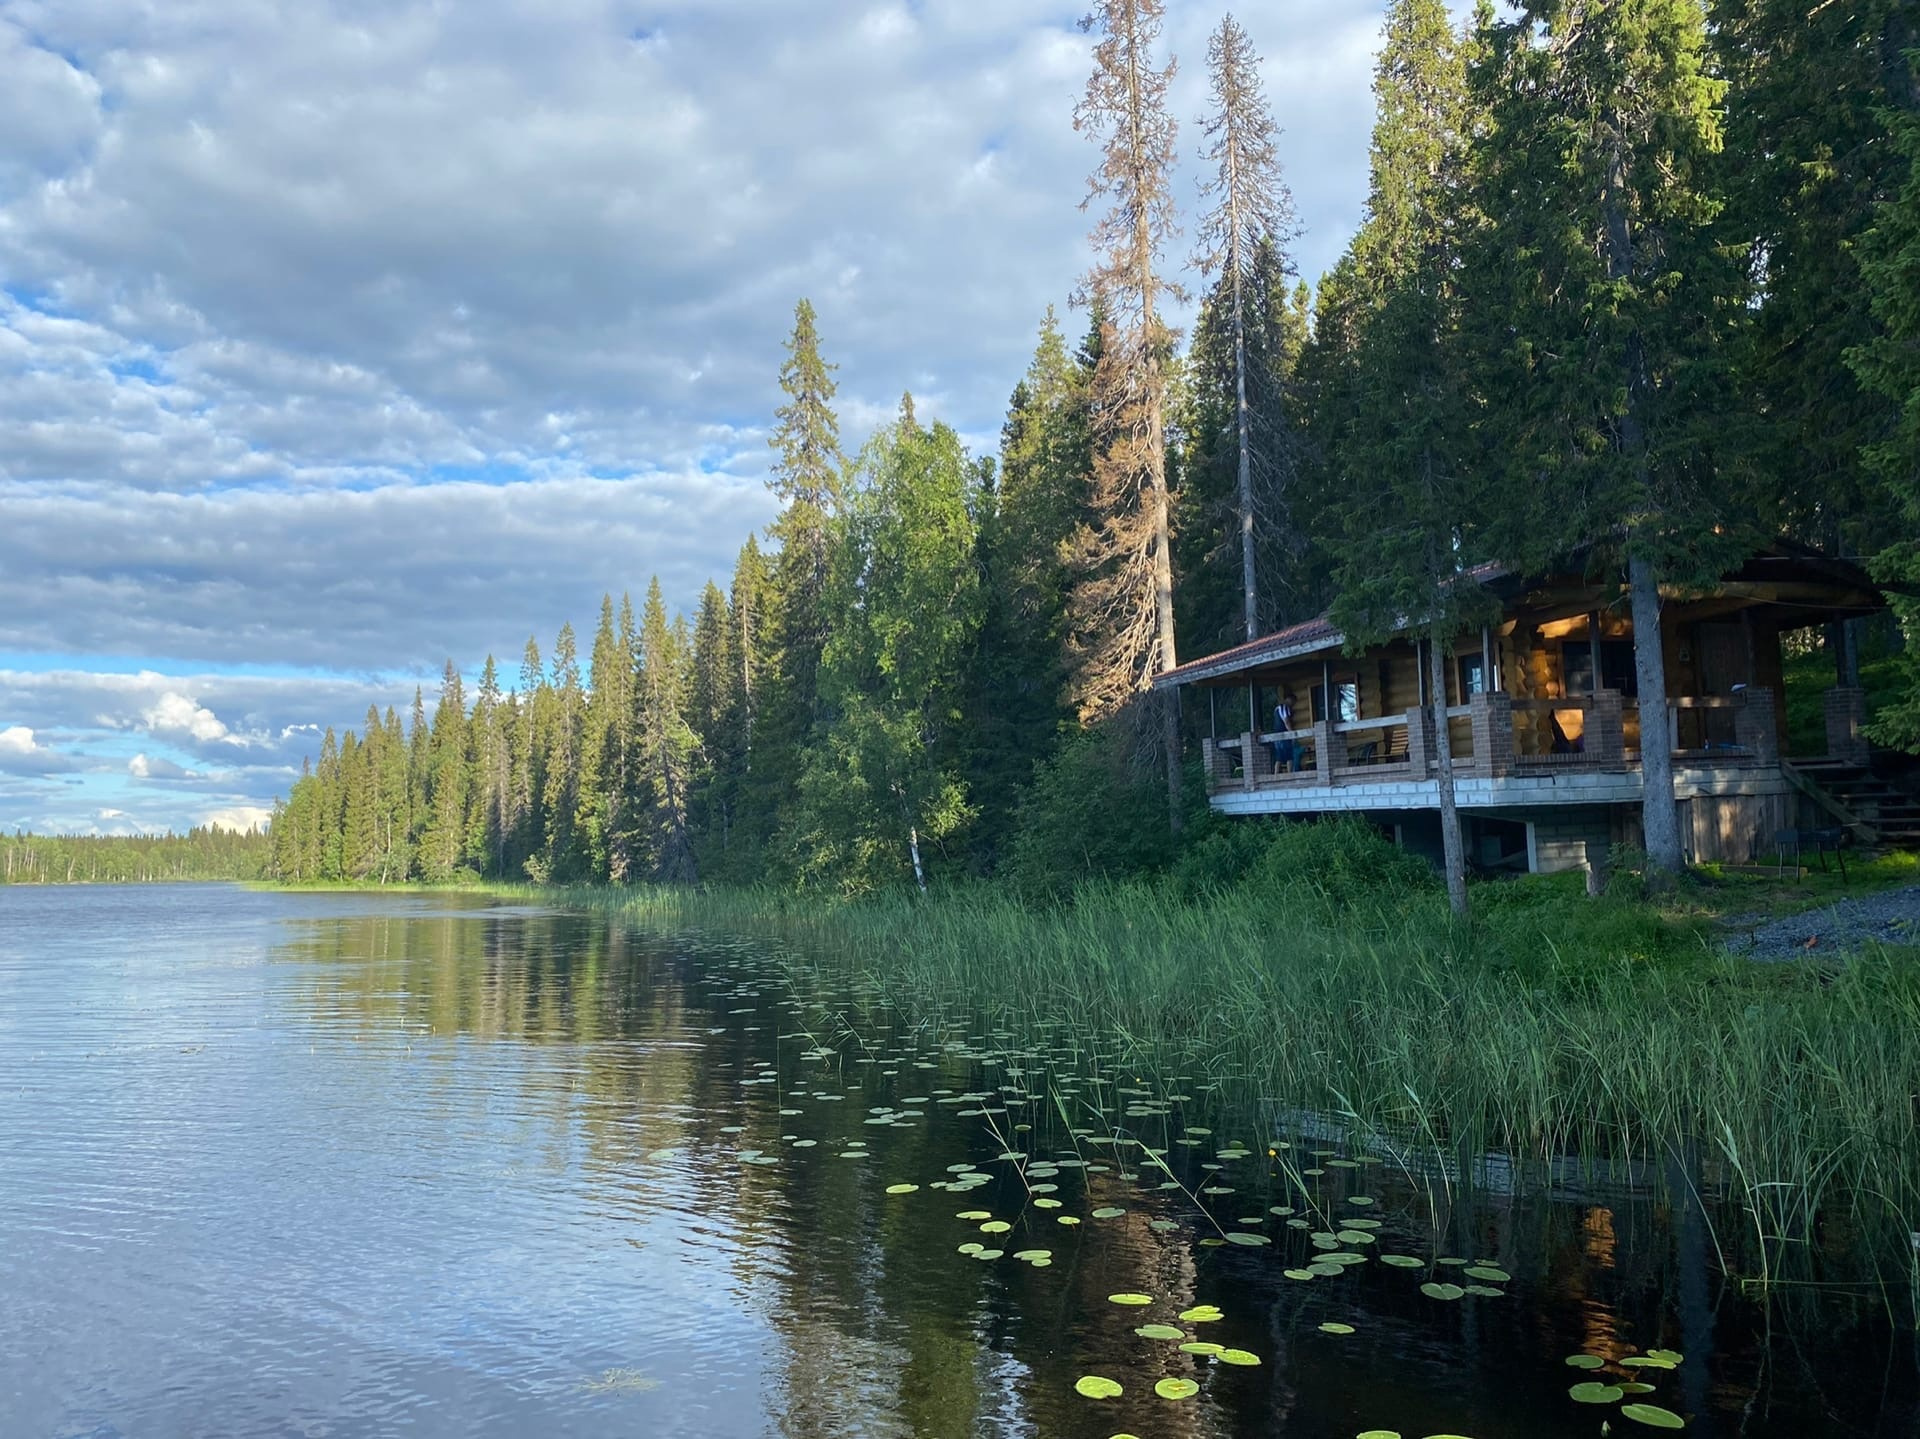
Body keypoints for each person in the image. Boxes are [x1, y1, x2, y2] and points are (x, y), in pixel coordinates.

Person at [1269, 692, 1298, 773]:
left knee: (1279, 758)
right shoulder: (1285, 708)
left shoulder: (1276, 709)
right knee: (1289, 756)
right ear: (1290, 700)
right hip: (1284, 736)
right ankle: (1290, 774)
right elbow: (1287, 721)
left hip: (1276, 736)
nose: (1293, 704)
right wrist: (1292, 734)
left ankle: (1276, 775)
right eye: (1293, 702)